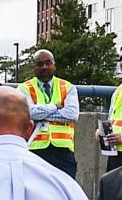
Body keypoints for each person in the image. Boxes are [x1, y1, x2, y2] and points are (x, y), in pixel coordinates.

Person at [20, 48, 80, 180]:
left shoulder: (68, 87)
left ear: (54, 65)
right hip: (34, 149)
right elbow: (29, 113)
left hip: (63, 151)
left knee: (65, 194)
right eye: (40, 64)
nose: (44, 67)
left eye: (48, 63)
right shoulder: (24, 88)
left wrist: (41, 114)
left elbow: (71, 115)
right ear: (34, 67)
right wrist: (55, 106)